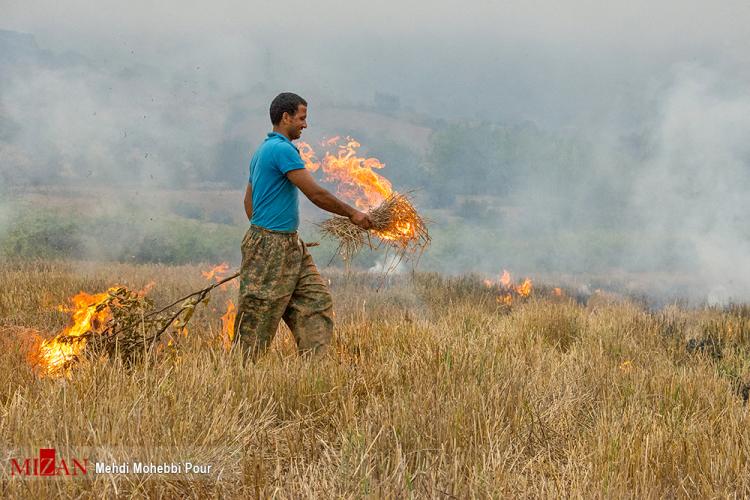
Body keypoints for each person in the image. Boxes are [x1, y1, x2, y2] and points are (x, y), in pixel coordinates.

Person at [235, 92, 373, 360]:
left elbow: (248, 201)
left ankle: (315, 369)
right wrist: (353, 214)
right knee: (258, 317)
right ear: (285, 117)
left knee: (316, 302)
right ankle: (240, 374)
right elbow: (316, 194)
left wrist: (268, 232)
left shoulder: (262, 150)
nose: (305, 124)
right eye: (302, 118)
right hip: (272, 245)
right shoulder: (281, 150)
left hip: (288, 243)